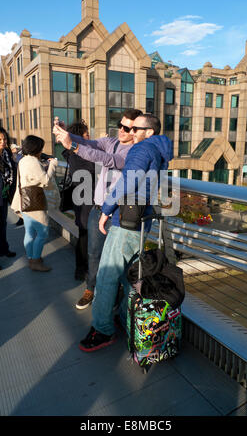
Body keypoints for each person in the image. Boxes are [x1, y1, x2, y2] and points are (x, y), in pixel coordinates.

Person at [78, 114, 173, 352]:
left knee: (107, 276)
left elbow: (127, 182)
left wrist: (107, 209)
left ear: (148, 131)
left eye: (135, 128)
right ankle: (125, 317)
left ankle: (102, 330)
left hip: (126, 221)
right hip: (142, 221)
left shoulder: (142, 149)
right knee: (129, 276)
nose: (130, 131)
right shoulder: (159, 150)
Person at [53, 108, 143, 309]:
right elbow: (91, 144)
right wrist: (67, 134)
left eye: (126, 128)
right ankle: (90, 289)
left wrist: (72, 145)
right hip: (98, 208)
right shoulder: (111, 142)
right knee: (93, 253)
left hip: (120, 213)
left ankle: (115, 298)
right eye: (120, 125)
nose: (121, 130)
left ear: (136, 131)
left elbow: (108, 160)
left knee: (118, 260)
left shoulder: (136, 152)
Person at [11, 135, 58, 272]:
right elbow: (46, 181)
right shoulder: (33, 161)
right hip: (35, 204)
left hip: (24, 202)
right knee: (43, 233)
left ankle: (31, 257)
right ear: (36, 148)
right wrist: (53, 165)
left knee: (29, 233)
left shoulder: (23, 160)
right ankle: (36, 261)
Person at [62, 120, 96, 281]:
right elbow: (90, 170)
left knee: (83, 235)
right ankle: (83, 269)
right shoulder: (78, 155)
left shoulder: (72, 152)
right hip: (85, 201)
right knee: (85, 236)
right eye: (86, 134)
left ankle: (81, 269)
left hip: (81, 199)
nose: (89, 136)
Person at [0, 128, 17, 264]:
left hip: (4, 194)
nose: (3, 142)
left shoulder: (6, 153)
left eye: (4, 139)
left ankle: (4, 249)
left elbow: (12, 170)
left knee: (3, 224)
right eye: (0, 139)